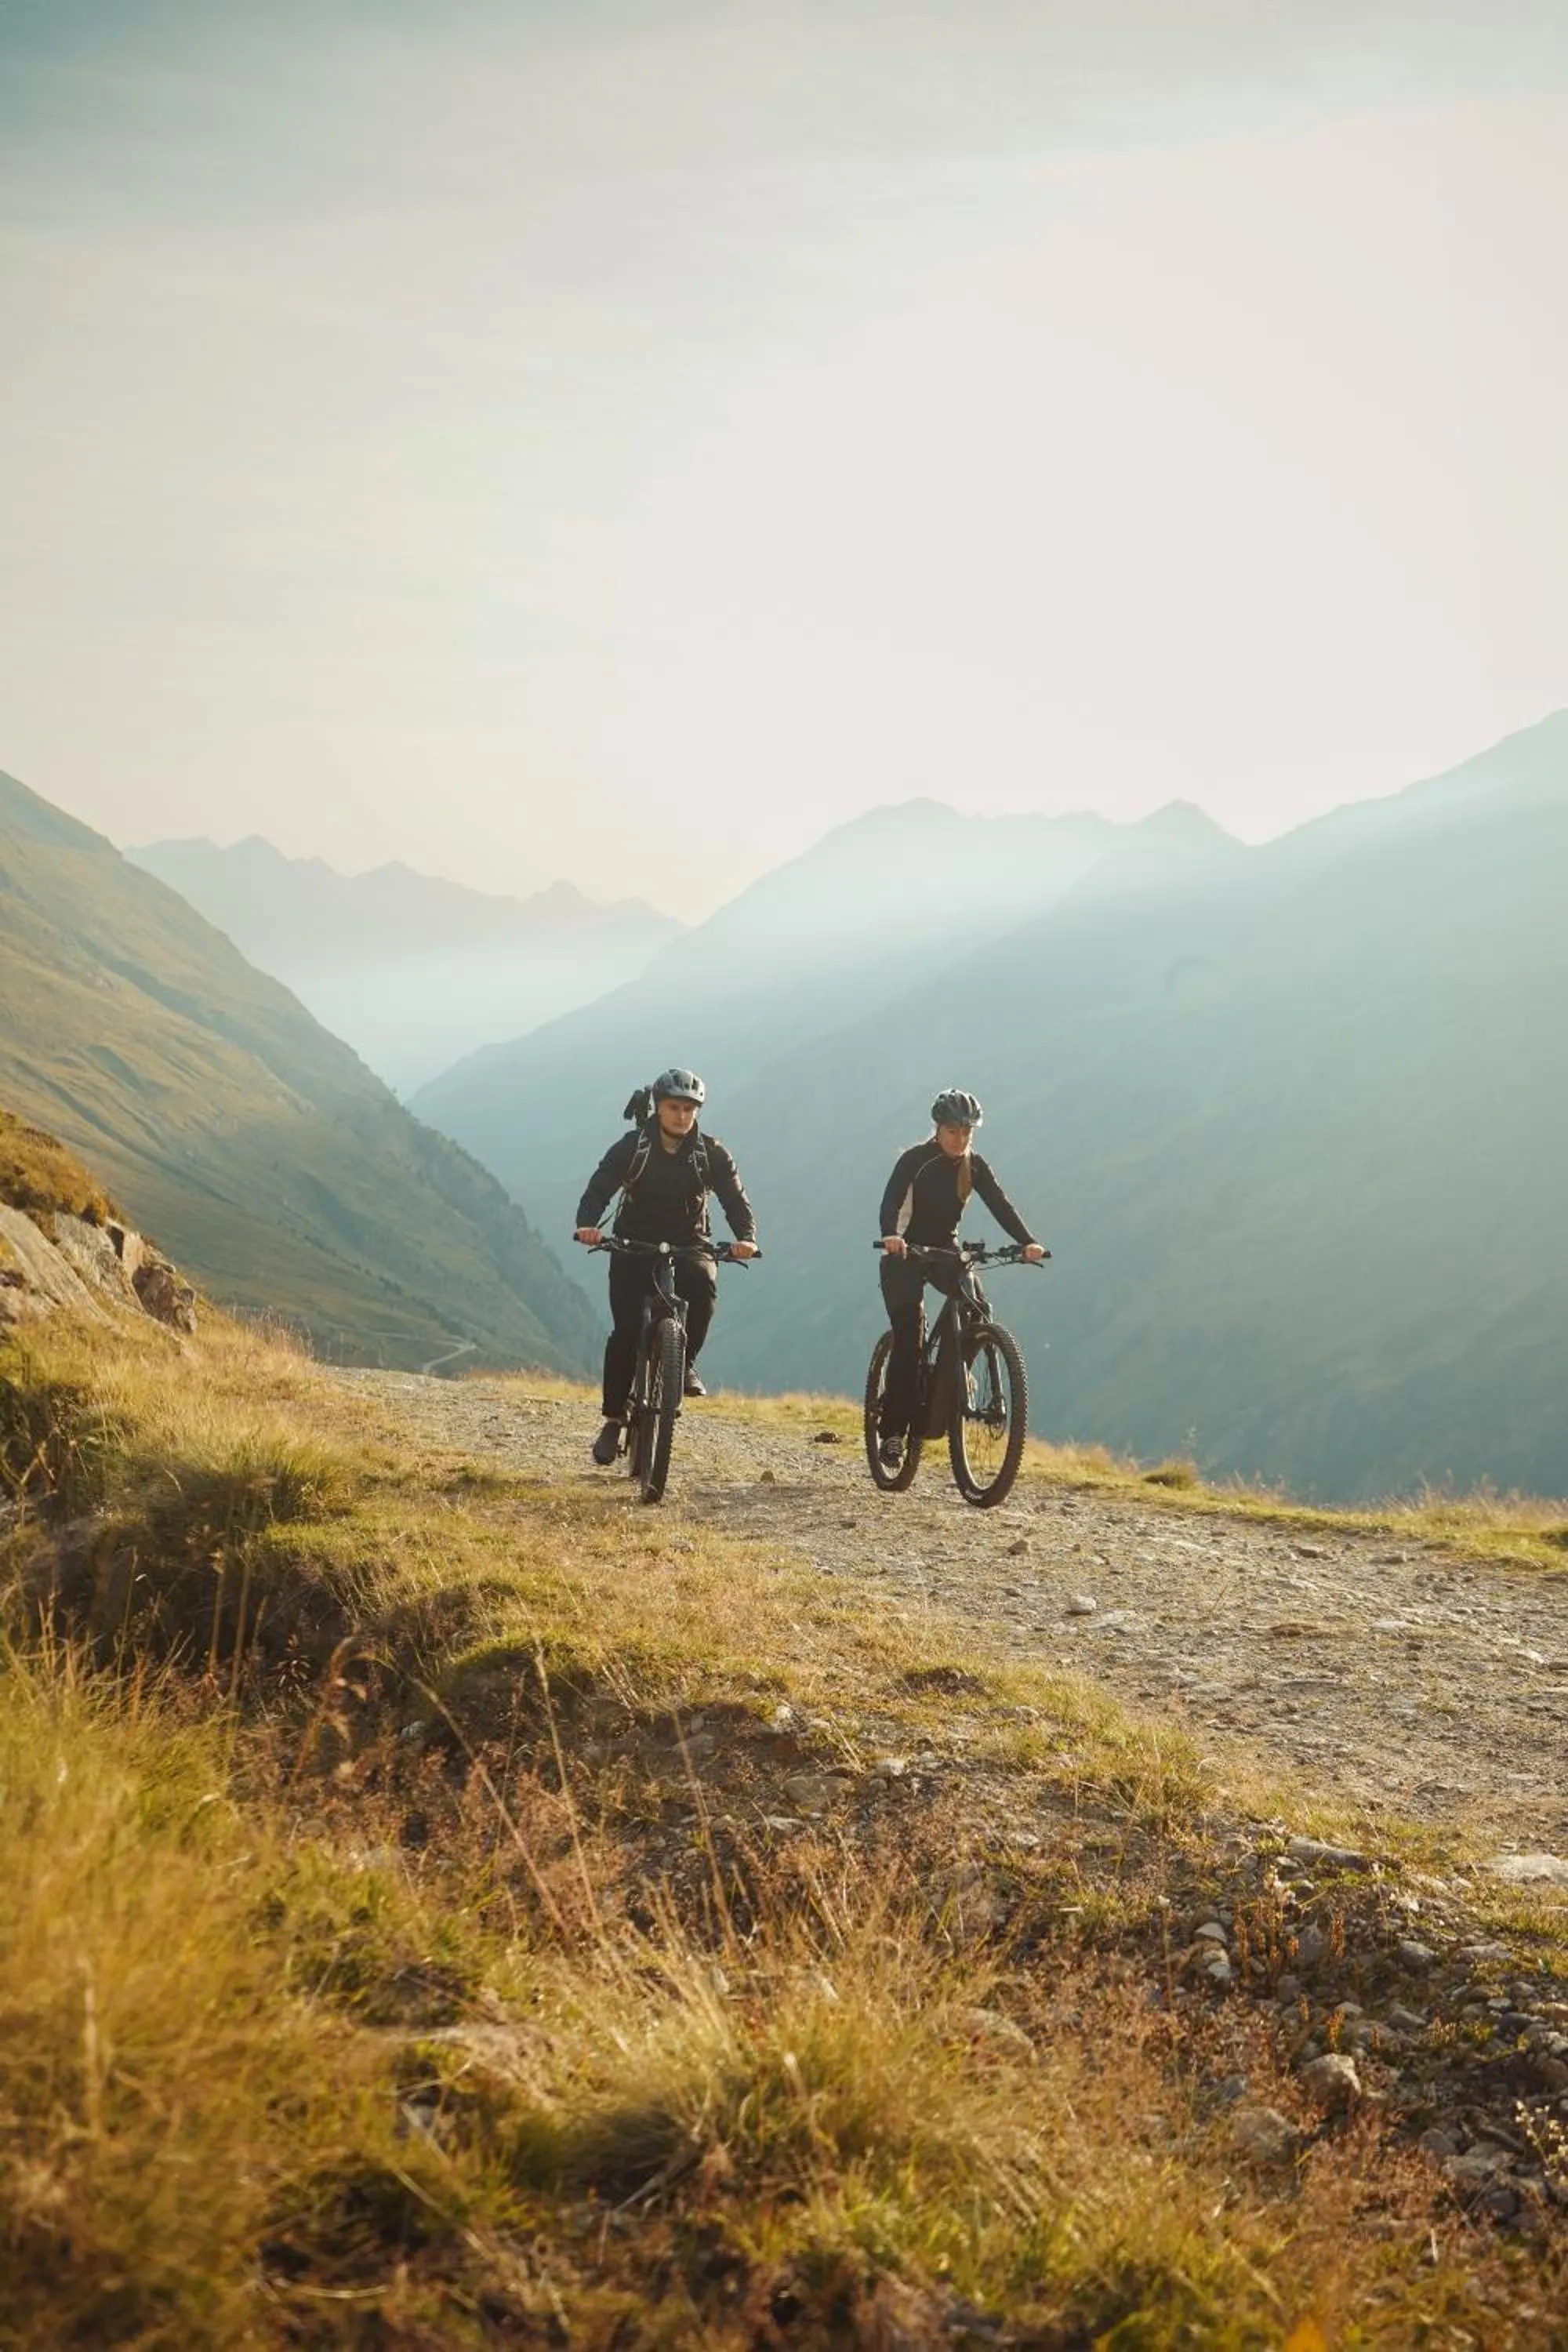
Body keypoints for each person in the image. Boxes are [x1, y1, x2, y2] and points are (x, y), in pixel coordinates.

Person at [575, 1068, 759, 1465]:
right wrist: (587, 1224)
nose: (682, 1116)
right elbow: (600, 1186)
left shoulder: (711, 1153)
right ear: (659, 1107)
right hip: (633, 1243)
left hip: (690, 1242)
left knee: (703, 1289)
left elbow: (734, 1197)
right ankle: (613, 1418)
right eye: (674, 1107)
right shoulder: (633, 1147)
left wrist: (746, 1237)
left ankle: (683, 1363)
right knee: (626, 1332)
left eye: (689, 1109)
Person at [875, 1089, 1046, 1466]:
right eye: (953, 1131)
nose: (960, 1139)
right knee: (910, 1337)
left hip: (945, 1250)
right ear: (937, 1129)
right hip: (904, 1252)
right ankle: (893, 1432)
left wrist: (1027, 1242)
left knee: (977, 1308)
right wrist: (891, 1235)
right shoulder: (915, 1161)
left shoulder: (974, 1165)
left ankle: (957, 1375)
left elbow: (1000, 1204)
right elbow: (891, 1201)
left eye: (967, 1131)